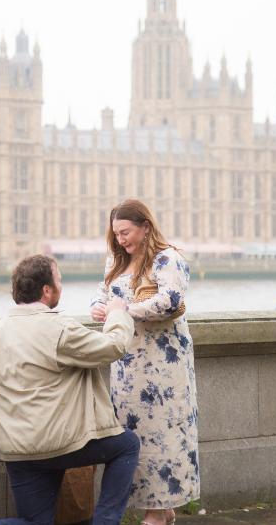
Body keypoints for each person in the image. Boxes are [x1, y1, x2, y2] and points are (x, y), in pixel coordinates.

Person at [0, 255, 140, 525]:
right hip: (60, 443)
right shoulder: (59, 328)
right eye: (59, 280)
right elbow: (113, 347)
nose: (61, 286)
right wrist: (118, 313)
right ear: (47, 290)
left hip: (16, 449)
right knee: (127, 445)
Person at [90, 200, 199, 525]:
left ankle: (156, 512)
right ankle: (161, 510)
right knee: (133, 440)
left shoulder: (168, 259)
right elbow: (101, 294)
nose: (121, 240)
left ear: (145, 227)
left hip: (165, 371)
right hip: (126, 368)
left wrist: (123, 310)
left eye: (126, 232)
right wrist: (99, 308)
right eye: (116, 234)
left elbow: (172, 301)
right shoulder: (116, 260)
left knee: (164, 439)